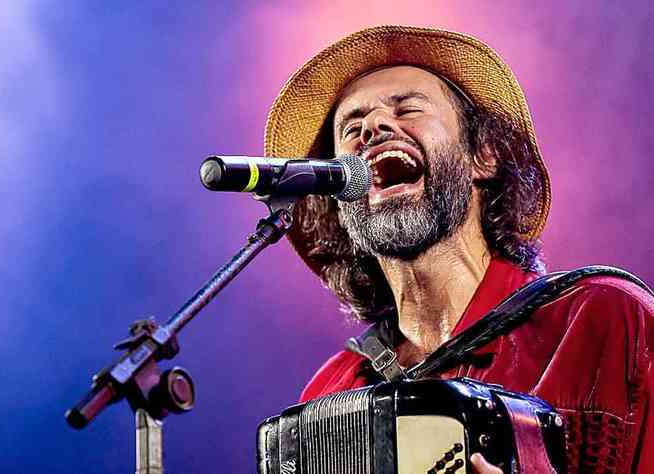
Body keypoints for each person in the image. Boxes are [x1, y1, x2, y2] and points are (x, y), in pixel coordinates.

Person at [263, 26, 654, 473]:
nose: (372, 128)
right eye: (351, 128)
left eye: (407, 107)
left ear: (483, 154)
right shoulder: (330, 392)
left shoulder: (606, 319)